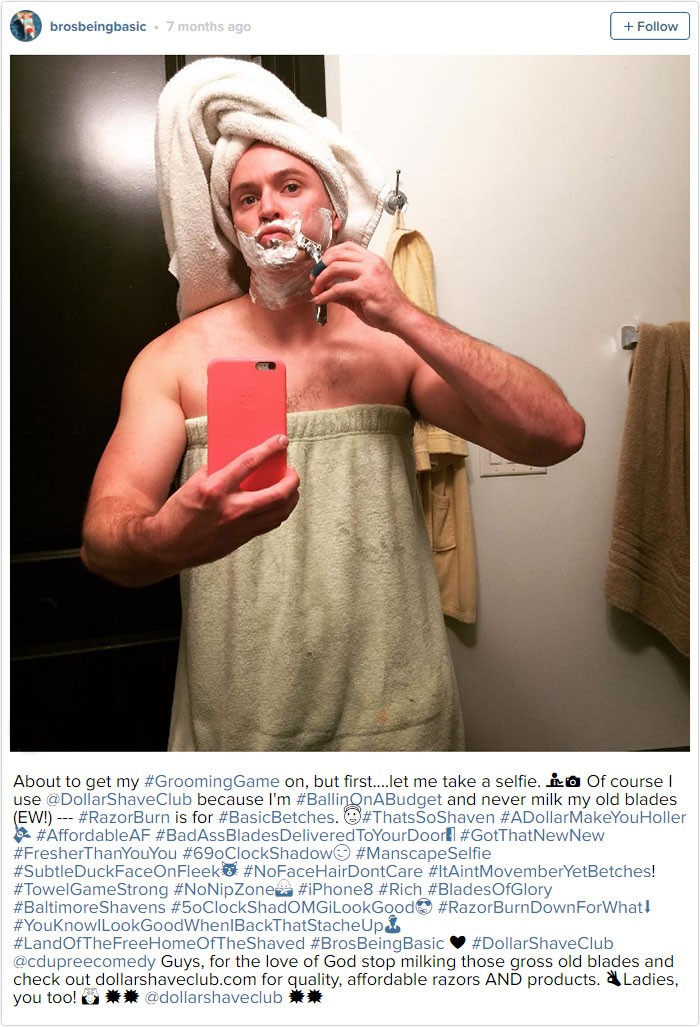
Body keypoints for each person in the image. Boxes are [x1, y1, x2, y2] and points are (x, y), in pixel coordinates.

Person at [81, 59, 585, 752]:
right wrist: (165, 539)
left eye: (291, 186)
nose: (269, 208)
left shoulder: (393, 346)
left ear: (334, 212)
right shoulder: (175, 360)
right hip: (238, 736)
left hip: (399, 728)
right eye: (247, 197)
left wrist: (405, 316)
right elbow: (103, 540)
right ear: (233, 225)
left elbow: (556, 433)